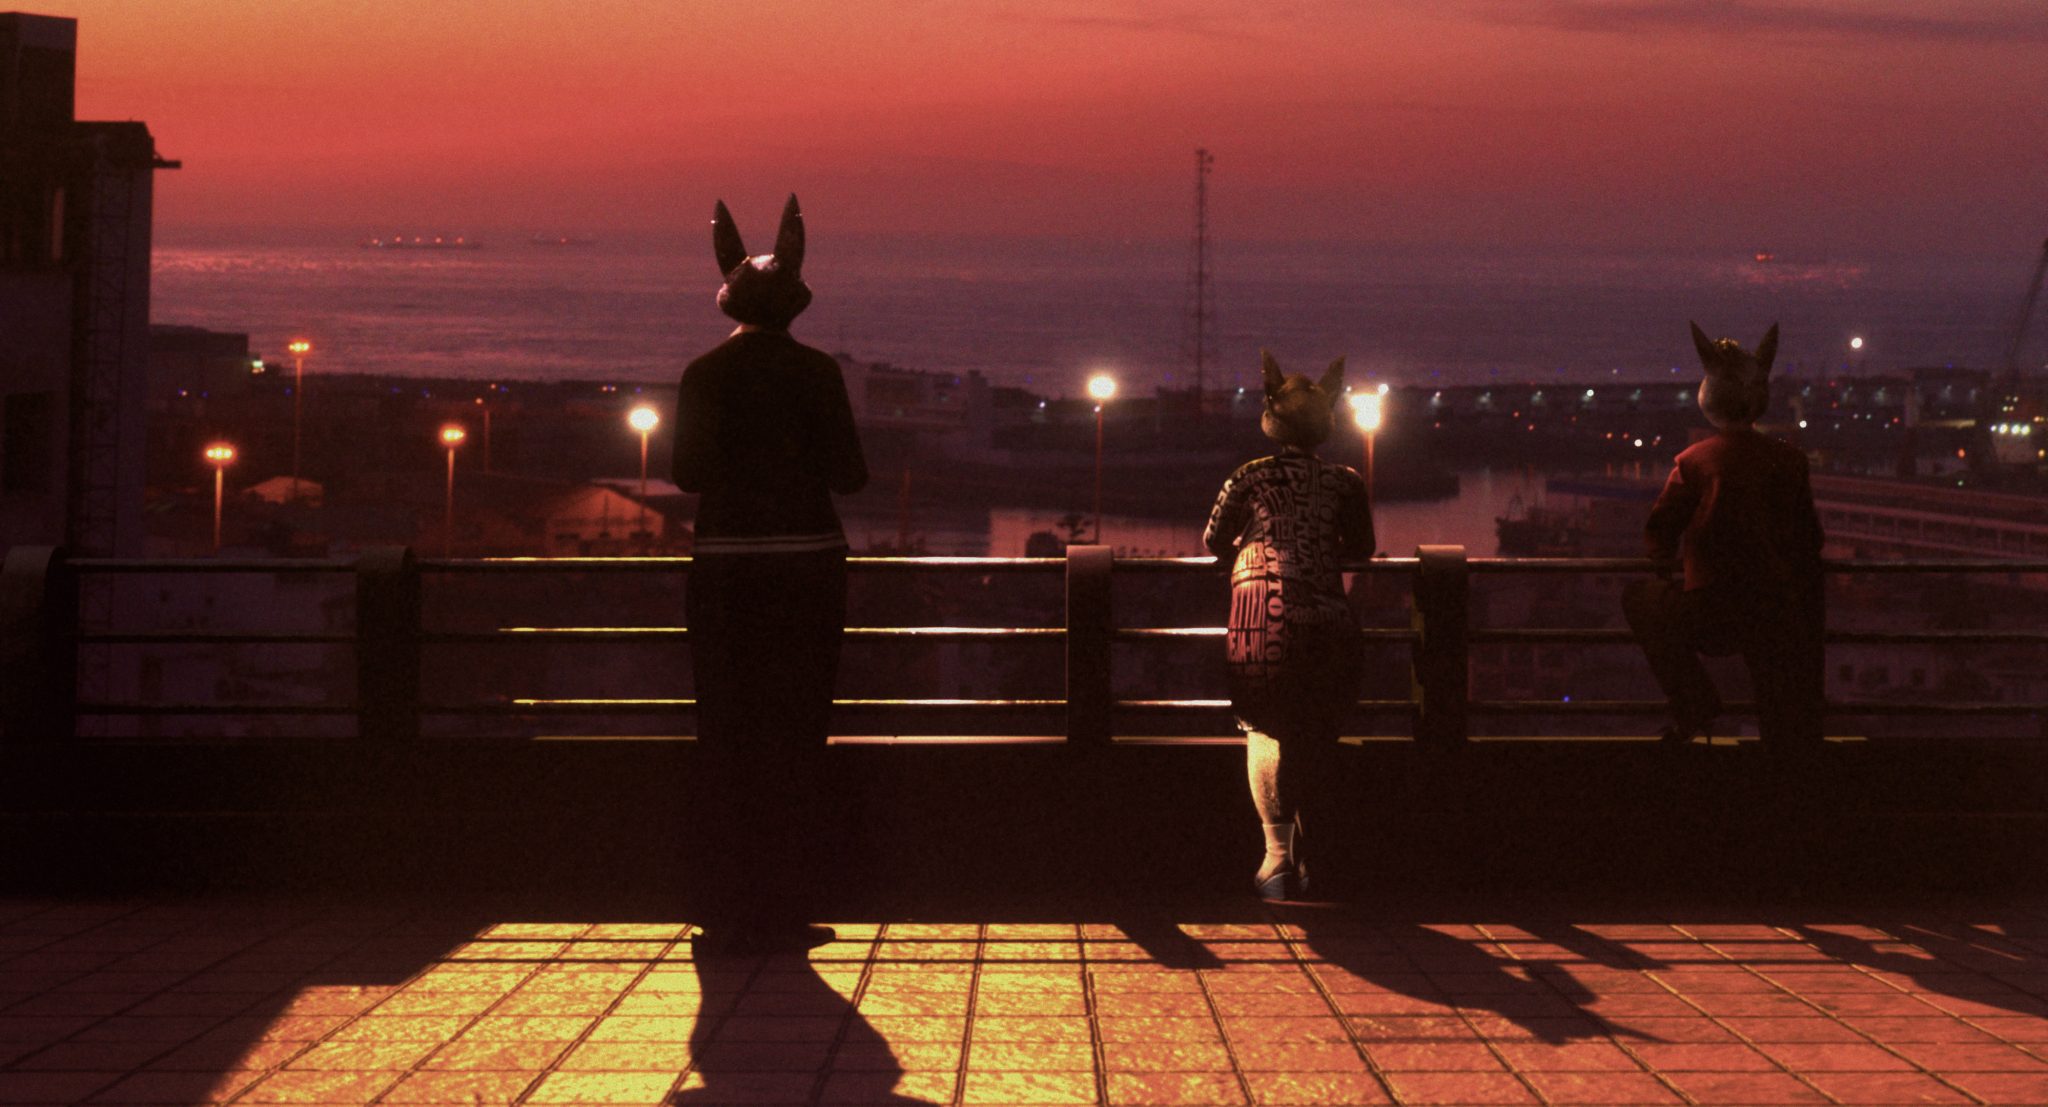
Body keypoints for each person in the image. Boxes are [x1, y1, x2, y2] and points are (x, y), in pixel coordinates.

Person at [674, 194, 867, 953]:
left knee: (724, 729)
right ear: (797, 303)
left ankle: (722, 904)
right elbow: (850, 476)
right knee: (796, 732)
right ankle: (786, 903)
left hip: (722, 568)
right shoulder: (818, 374)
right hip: (808, 566)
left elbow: (687, 473)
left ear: (729, 300)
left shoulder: (702, 373)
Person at [1204, 352, 1373, 900]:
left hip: (1259, 616)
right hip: (1327, 614)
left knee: (1264, 727)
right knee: (1321, 731)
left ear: (1271, 418)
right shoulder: (1345, 481)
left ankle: (1275, 860)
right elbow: (1363, 547)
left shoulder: (1248, 475)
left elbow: (1212, 539)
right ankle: (1317, 859)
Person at [1623, 322, 1825, 753]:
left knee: (1640, 600)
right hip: (1773, 607)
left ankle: (1694, 701)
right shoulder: (1790, 462)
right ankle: (1786, 768)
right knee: (1778, 698)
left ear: (1710, 398)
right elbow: (1809, 538)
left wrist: (1663, 563)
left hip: (1711, 605)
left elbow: (1660, 530)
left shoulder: (1694, 461)